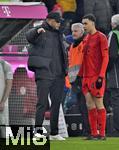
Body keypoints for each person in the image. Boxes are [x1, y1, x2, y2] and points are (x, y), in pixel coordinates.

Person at [26, 12, 67, 140]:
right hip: (44, 73)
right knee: (42, 104)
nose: (59, 23)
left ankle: (54, 133)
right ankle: (37, 134)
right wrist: (37, 30)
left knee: (56, 103)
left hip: (59, 74)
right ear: (49, 20)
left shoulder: (59, 33)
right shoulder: (39, 30)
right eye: (57, 21)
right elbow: (29, 36)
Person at [81, 14, 109, 140]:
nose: (84, 26)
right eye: (83, 24)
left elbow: (106, 57)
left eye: (85, 23)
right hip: (85, 77)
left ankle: (102, 133)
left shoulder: (101, 37)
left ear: (92, 23)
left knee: (99, 104)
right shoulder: (86, 38)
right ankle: (94, 133)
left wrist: (101, 76)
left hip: (96, 76)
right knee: (89, 105)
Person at [68, 23, 90, 137]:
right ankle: (87, 130)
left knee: (87, 106)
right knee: (82, 107)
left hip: (84, 79)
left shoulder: (85, 43)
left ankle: (90, 130)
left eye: (76, 31)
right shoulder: (72, 45)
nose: (73, 33)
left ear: (82, 32)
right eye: (72, 31)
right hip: (76, 81)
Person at [0, 60, 13, 138]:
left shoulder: (5, 65)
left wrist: (3, 102)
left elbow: (9, 84)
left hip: (2, 105)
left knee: (4, 128)